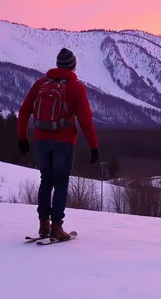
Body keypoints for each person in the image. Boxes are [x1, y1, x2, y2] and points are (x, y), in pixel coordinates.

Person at [17, 48, 99, 240]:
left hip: (41, 139)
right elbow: (86, 120)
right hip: (64, 141)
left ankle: (43, 225)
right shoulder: (76, 88)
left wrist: (22, 137)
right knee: (61, 182)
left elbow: (24, 111)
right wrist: (94, 146)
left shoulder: (41, 83)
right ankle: (56, 227)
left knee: (46, 180)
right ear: (73, 66)